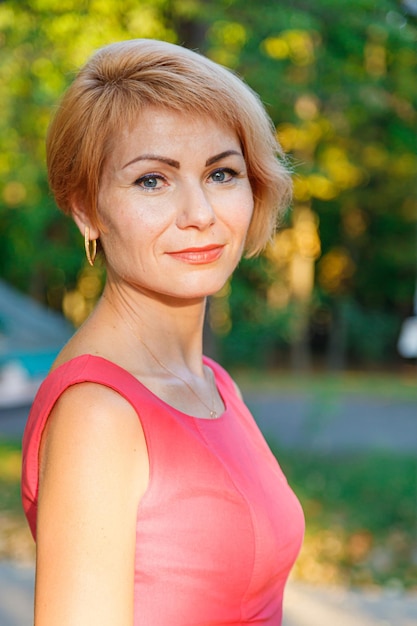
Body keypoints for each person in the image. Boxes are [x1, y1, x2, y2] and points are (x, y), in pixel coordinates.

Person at [21, 39, 304, 625]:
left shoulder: (213, 384)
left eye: (222, 173)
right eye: (152, 180)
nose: (199, 212)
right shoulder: (99, 415)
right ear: (86, 210)